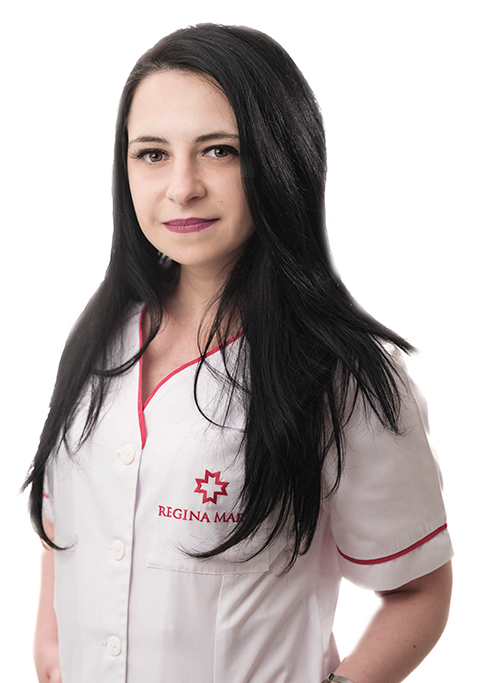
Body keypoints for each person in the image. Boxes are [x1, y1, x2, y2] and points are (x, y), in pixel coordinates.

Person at [15, 23, 454, 683]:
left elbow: (418, 589)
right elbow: (68, 516)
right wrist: (49, 644)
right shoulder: (98, 333)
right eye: (152, 153)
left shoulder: (342, 375)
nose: (182, 186)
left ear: (280, 158)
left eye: (219, 150)